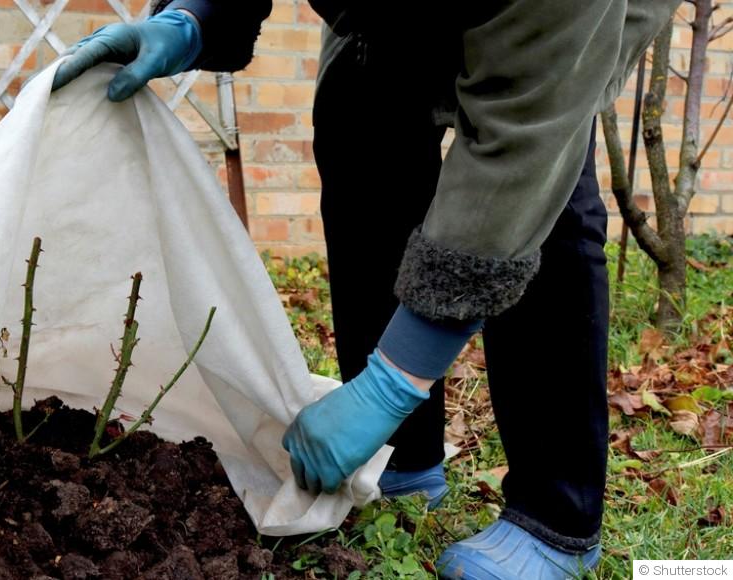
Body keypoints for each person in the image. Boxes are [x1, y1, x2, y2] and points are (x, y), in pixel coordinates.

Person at [51, 2, 680, 578]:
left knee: (547, 193)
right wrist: (197, 14)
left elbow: (522, 146)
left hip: (563, 18)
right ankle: (403, 460)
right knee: (360, 108)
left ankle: (557, 517)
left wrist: (393, 382)